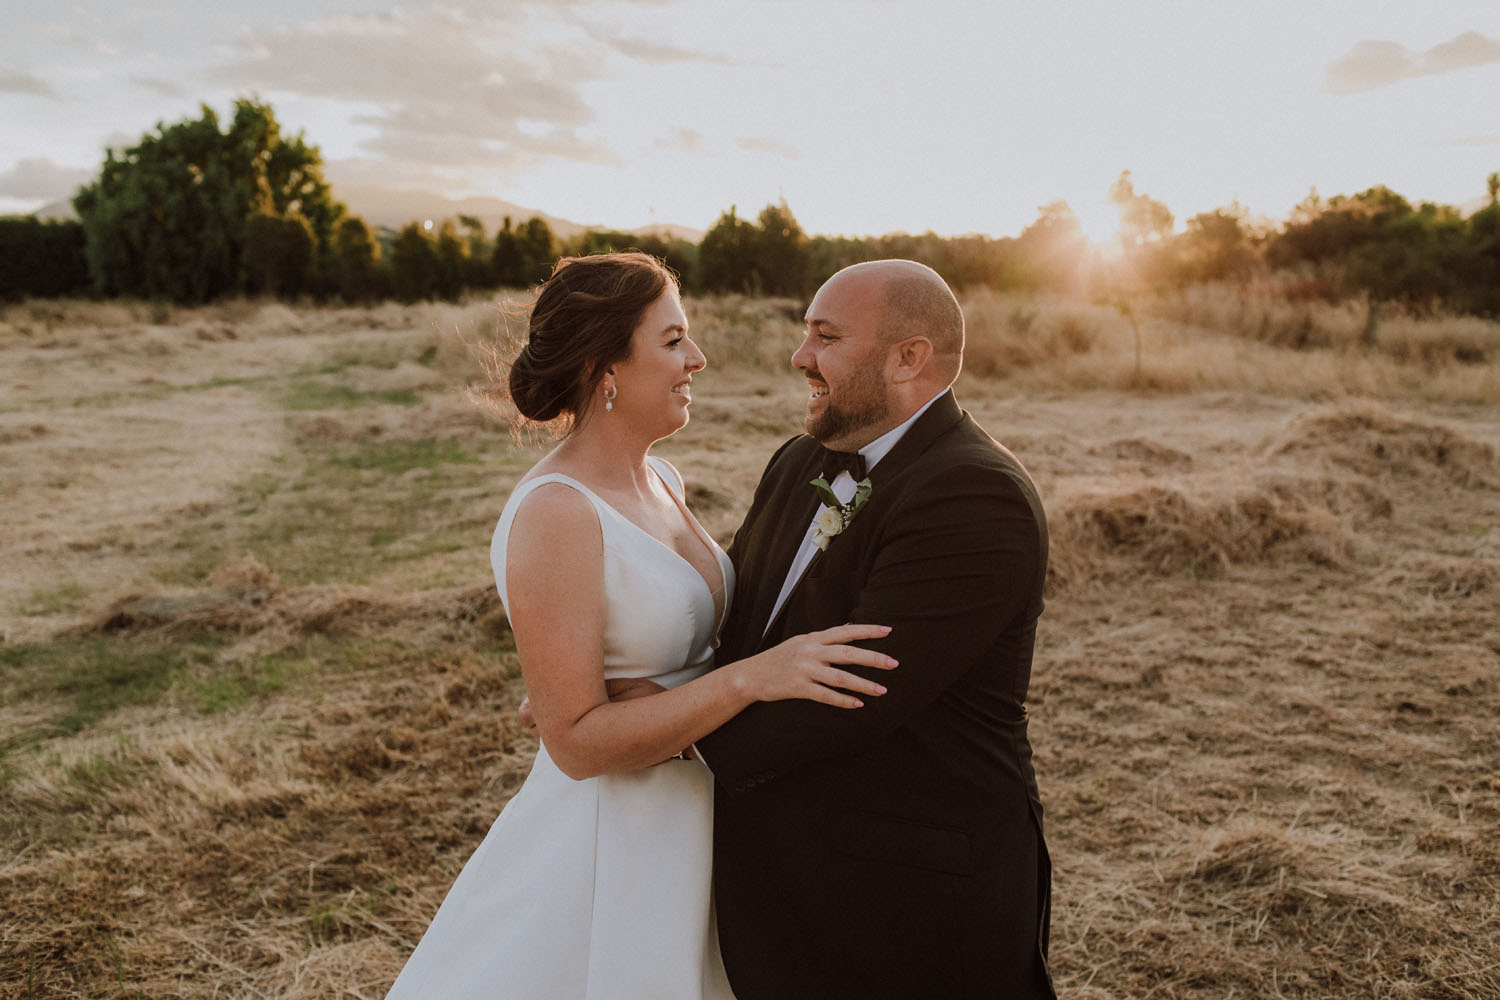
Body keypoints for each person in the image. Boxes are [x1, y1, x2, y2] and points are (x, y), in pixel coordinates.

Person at [383, 251, 895, 1000]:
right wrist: (749, 680)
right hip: (614, 843)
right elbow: (579, 744)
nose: (698, 358)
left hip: (697, 820)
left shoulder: (661, 478)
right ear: (604, 367)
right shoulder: (557, 512)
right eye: (672, 340)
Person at [694, 259, 1056, 998]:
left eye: (825, 337)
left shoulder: (975, 493)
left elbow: (849, 695)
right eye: (805, 335)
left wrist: (646, 732)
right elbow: (742, 627)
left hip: (909, 895)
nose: (800, 358)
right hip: (782, 875)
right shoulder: (801, 459)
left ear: (908, 358)